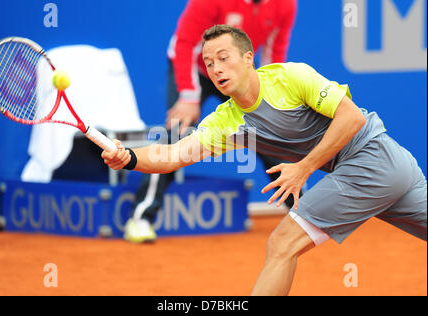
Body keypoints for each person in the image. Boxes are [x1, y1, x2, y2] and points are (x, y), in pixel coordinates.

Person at [102, 25, 427, 295]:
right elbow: (174, 154)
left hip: (370, 159)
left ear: (247, 58)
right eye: (208, 62)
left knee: (282, 244)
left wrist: (303, 168)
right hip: (395, 164)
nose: (215, 69)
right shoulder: (225, 121)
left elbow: (352, 118)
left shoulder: (291, 77)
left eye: (223, 58)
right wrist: (128, 157)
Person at [127, 0, 299, 243]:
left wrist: (269, 99)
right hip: (194, 66)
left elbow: (274, 53)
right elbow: (185, 43)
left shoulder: (286, 4)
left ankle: (303, 214)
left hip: (237, 71)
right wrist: (188, 95)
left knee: (267, 131)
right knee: (178, 132)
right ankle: (141, 217)